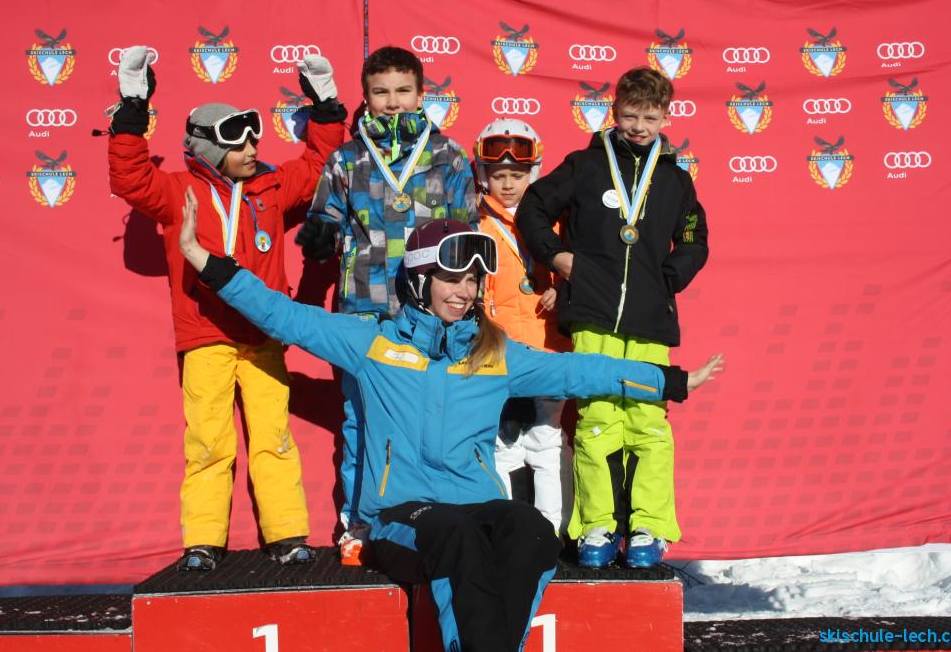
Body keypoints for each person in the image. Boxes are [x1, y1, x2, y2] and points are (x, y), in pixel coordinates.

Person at [179, 204, 722, 652]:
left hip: (476, 505)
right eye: (451, 278)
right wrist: (205, 260)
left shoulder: (493, 354)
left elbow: (577, 371)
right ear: (420, 279)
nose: (464, 291)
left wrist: (668, 380)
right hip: (399, 517)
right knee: (457, 538)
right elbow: (282, 315)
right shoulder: (372, 344)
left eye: (472, 280)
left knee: (532, 529)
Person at [106, 46, 347, 570]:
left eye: (254, 138)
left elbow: (320, 166)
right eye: (238, 141)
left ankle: (287, 535)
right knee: (208, 443)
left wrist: (326, 108)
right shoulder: (179, 192)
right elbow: (130, 180)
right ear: (207, 148)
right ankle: (203, 542)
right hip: (205, 338)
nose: (252, 148)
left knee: (274, 439)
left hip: (263, 338)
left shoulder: (271, 187)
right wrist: (132, 109)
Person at [516, 66, 709, 568]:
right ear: (614, 111)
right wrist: (557, 257)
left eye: (650, 118)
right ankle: (596, 526)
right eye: (630, 116)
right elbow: (533, 208)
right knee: (598, 420)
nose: (639, 127)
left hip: (649, 321)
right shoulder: (584, 165)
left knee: (648, 423)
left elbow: (695, 239)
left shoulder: (675, 179)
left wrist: (667, 280)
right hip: (593, 313)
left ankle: (650, 526)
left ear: (666, 117)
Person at [294, 45, 476, 564]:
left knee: (432, 422)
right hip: (364, 310)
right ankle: (359, 523)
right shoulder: (347, 158)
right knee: (361, 421)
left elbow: (467, 230)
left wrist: (466, 304)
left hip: (428, 314)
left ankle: (428, 520)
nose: (392, 102)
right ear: (366, 97)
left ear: (421, 94)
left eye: (402, 91)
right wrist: (321, 233)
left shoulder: (448, 155)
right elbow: (327, 215)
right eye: (380, 92)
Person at [473, 118, 573, 535]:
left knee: (546, 440)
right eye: (499, 175)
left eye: (517, 175)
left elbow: (578, 267)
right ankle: (509, 531)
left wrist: (561, 290)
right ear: (484, 175)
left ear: (534, 173)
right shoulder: (477, 222)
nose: (508, 184)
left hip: (548, 346)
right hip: (500, 352)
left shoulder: (555, 221)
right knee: (503, 444)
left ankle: (551, 531)